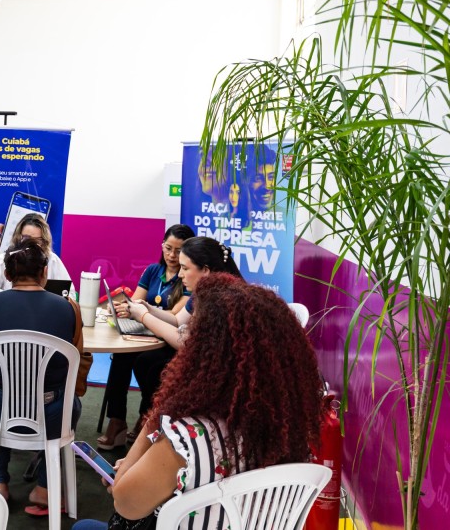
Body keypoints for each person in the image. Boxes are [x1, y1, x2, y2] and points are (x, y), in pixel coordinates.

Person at [73, 274, 324, 530]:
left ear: (207, 354)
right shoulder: (290, 431)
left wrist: (160, 411)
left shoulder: (187, 438)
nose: (184, 337)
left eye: (191, 333)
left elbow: (125, 503)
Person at [0, 238, 84, 516]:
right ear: (45, 273)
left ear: (7, 274)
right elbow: (75, 360)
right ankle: (44, 488)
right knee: (71, 402)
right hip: (51, 414)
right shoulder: (68, 308)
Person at [97, 224, 194, 452]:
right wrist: (123, 308)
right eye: (168, 248)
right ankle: (116, 421)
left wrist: (143, 311)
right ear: (162, 246)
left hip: (167, 340)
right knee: (121, 357)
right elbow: (136, 302)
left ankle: (146, 416)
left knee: (146, 363)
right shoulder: (152, 271)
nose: (172, 255)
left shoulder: (187, 276)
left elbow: (175, 317)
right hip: (143, 334)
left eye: (178, 251)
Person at [119, 236, 243, 350]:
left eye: (185, 268)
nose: (180, 274)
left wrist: (143, 316)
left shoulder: (218, 301)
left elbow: (185, 342)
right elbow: (178, 321)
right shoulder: (203, 292)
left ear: (205, 270)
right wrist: (148, 308)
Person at [0, 213, 72, 299]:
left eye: (37, 240)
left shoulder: (52, 260)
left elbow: (69, 295)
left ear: (44, 241)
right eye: (27, 239)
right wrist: (11, 296)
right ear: (18, 238)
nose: (31, 244)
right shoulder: (3, 260)